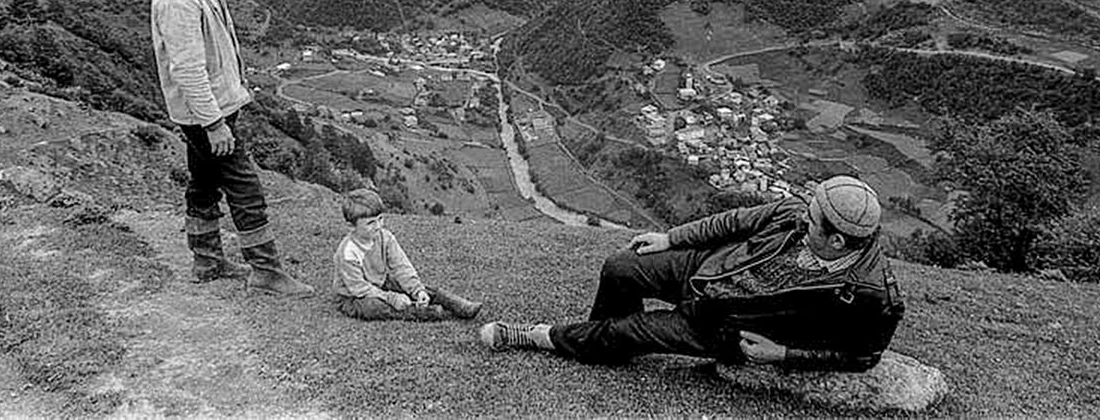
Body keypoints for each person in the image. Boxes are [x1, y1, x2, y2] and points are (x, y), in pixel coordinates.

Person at [479, 175, 903, 370]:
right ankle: (601, 342)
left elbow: (863, 357)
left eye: (812, 222)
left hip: (721, 327)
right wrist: (672, 238)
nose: (801, 218)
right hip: (704, 272)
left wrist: (782, 355)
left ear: (837, 242)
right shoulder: (795, 214)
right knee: (621, 266)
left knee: (626, 330)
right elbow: (733, 222)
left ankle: (540, 335)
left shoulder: (870, 294)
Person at [150, 0, 313, 297]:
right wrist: (215, 124)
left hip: (204, 112)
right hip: (208, 114)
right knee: (245, 188)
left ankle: (206, 260)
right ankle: (266, 270)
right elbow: (186, 70)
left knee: (204, 183)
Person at [333, 189, 483, 321]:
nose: (378, 226)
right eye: (370, 223)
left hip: (380, 282)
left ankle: (458, 305)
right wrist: (391, 297)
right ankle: (422, 312)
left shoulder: (385, 237)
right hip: (353, 297)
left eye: (380, 219)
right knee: (372, 307)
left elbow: (401, 266)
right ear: (351, 225)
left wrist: (417, 289)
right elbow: (358, 288)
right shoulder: (348, 252)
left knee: (409, 285)